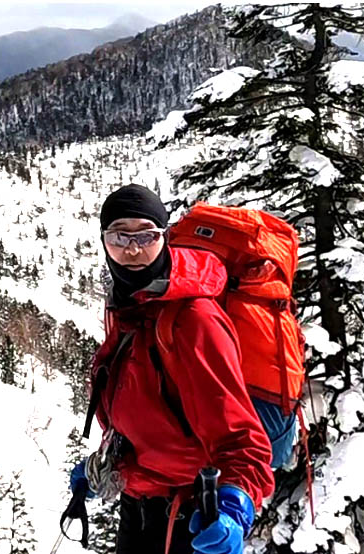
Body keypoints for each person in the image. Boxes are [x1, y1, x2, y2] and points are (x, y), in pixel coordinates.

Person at [69, 184, 275, 554]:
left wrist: (234, 508)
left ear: (164, 238)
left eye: (146, 235)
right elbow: (150, 408)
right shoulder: (129, 306)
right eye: (119, 236)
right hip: (140, 505)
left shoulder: (193, 320)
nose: (132, 249)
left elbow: (243, 439)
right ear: (104, 242)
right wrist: (111, 461)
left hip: (188, 517)